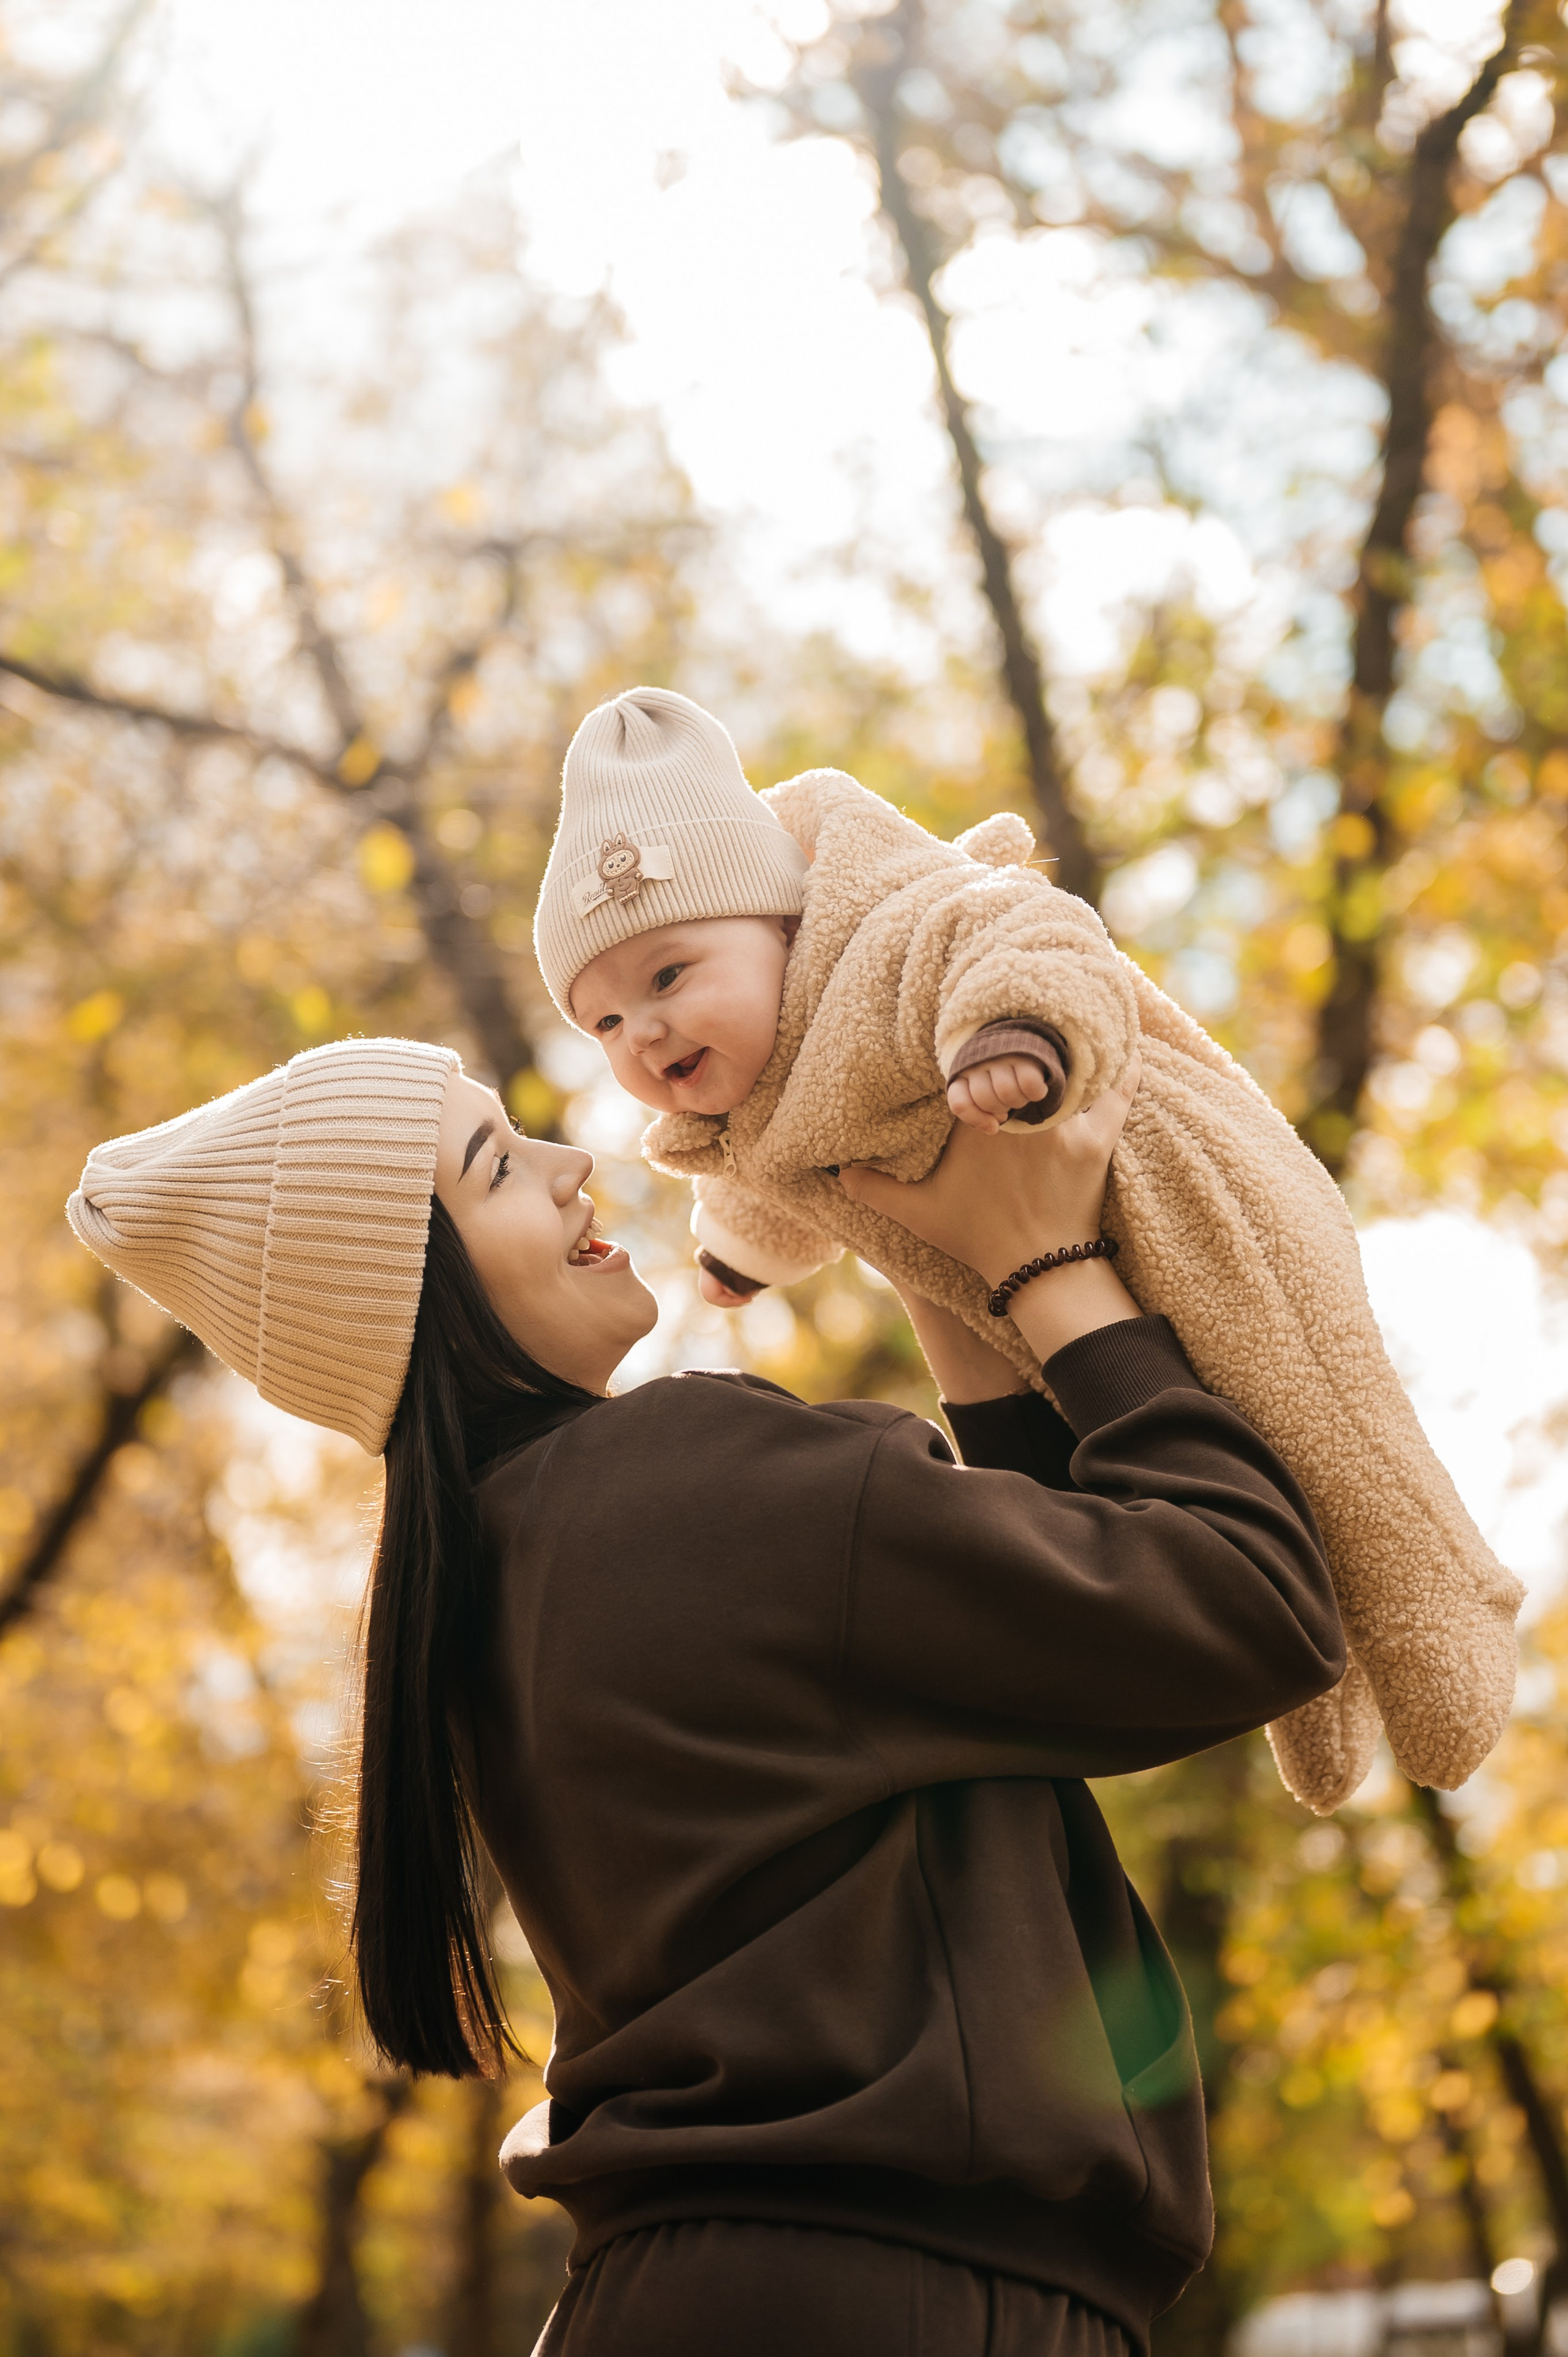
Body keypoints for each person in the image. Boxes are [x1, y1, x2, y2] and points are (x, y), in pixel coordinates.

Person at [67, 1031, 1345, 2357]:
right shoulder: (687, 1475)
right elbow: (1245, 1600)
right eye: (494, 1166)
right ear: (421, 1295)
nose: (570, 1168)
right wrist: (1046, 1266)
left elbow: (1061, 1640)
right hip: (895, 2302)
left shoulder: (493, 1580)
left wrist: (934, 1269)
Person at [530, 685, 1520, 1820]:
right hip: (1017, 1282)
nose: (643, 1032)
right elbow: (780, 1185)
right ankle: (1317, 1675)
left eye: (668, 976)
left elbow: (1031, 932)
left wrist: (1012, 1036)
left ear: (787, 929)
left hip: (1179, 1190)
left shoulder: (890, 932)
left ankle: (1444, 1596)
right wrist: (741, 1262)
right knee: (1189, 1468)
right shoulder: (748, 1106)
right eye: (603, 1022)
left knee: (1308, 1414)